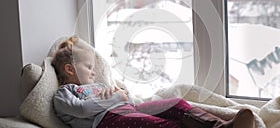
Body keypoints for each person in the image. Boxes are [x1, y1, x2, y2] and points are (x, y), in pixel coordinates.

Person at [52, 37, 255, 128]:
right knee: (164, 125)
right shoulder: (65, 93)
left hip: (127, 108)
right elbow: (82, 110)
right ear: (70, 69)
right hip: (106, 122)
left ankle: (221, 127)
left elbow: (127, 99)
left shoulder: (97, 86)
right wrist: (115, 97)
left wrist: (122, 95)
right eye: (89, 67)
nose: (94, 72)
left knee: (176, 104)